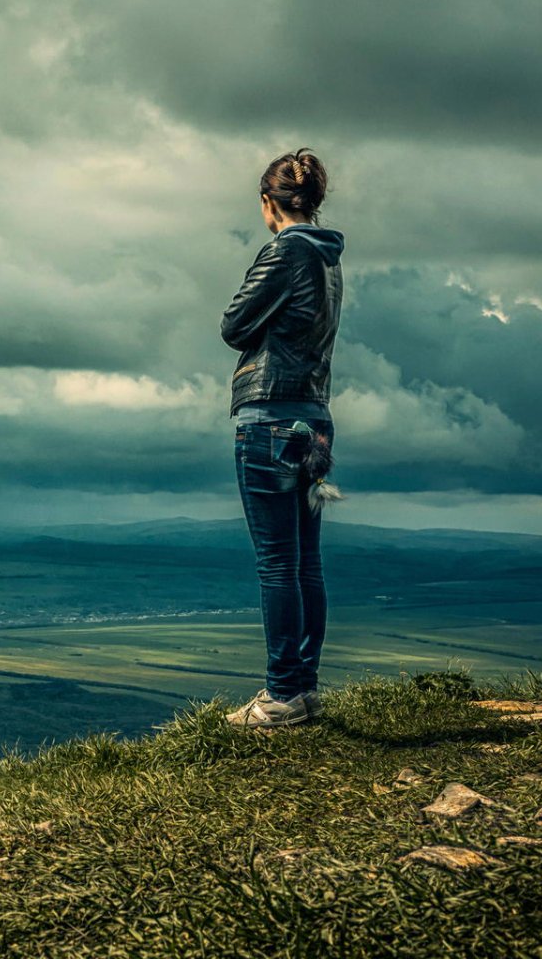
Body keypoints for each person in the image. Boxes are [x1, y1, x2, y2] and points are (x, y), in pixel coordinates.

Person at [220, 148, 344, 729]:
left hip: (269, 416)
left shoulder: (285, 250)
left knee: (276, 564)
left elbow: (233, 325)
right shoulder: (328, 258)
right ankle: (304, 687)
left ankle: (282, 696)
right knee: (305, 563)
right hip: (313, 416)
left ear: (269, 202)